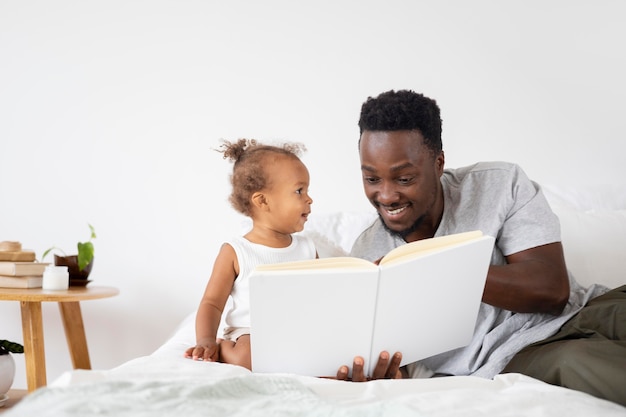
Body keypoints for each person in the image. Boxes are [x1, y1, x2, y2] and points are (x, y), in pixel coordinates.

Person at [337, 89, 626, 406]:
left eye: (404, 178)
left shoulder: (500, 183)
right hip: (520, 356)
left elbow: (551, 290)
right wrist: (383, 376)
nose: (387, 195)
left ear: (438, 163)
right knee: (581, 360)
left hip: (587, 309)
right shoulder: (367, 256)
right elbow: (397, 365)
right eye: (372, 179)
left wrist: (432, 270)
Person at [184, 139, 317, 369]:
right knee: (248, 357)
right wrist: (205, 340)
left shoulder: (308, 248)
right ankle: (225, 348)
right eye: (299, 191)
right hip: (252, 333)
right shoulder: (236, 251)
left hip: (296, 331)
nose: (309, 198)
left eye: (307, 190)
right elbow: (212, 303)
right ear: (262, 200)